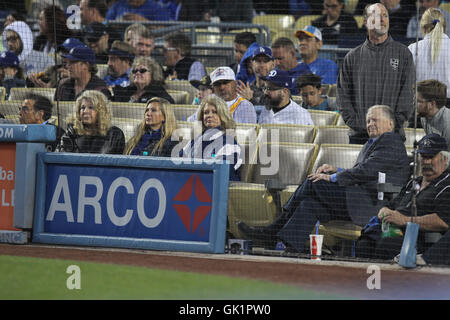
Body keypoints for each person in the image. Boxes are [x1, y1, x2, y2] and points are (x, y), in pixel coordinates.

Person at [238, 105, 411, 251]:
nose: (370, 124)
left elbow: (367, 171)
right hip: (356, 199)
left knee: (315, 182)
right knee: (310, 205)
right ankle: (288, 246)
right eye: (368, 121)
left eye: (375, 120)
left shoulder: (390, 140)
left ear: (390, 124)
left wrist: (333, 177)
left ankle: (273, 229)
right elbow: (365, 171)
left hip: (373, 204)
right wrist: (337, 169)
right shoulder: (373, 143)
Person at [355, 133, 450, 263]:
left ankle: (389, 281)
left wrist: (405, 220)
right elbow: (394, 205)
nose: (426, 162)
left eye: (431, 157)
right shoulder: (413, 182)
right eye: (423, 157)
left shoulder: (446, 184)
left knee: (387, 245)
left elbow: (443, 221)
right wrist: (385, 210)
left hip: (417, 235)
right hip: (393, 228)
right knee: (365, 243)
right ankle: (367, 281)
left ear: (444, 159)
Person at [336, 3, 415, 144]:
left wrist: (390, 124)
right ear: (365, 21)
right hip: (359, 137)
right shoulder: (352, 57)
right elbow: (343, 97)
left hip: (392, 136)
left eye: (385, 16)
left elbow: (408, 95)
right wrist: (360, 125)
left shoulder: (403, 54)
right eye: (377, 16)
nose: (383, 20)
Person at [180, 95, 243, 181]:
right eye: (206, 112)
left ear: (222, 115)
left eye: (214, 112)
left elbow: (222, 171)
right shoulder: (196, 140)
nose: (209, 115)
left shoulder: (229, 143)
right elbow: (178, 161)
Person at [58, 90, 125, 154]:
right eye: (82, 108)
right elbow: (62, 157)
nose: (85, 111)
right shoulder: (72, 132)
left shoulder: (114, 135)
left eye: (91, 107)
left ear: (101, 111)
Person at [408, 8, 450, 98]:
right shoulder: (412, 49)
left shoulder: (412, 49)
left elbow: (408, 84)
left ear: (423, 28)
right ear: (445, 26)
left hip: (421, 105)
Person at [416, 80, 450, 149]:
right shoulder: (424, 117)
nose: (414, 103)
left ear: (432, 104)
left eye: (418, 101)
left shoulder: (448, 122)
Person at [106, 0, 176, 22]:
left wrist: (144, 22)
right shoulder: (118, 5)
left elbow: (164, 30)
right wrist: (117, 23)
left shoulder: (157, 8)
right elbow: (106, 23)